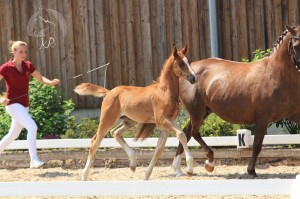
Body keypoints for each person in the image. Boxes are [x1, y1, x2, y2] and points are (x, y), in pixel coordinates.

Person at [0, 40, 60, 168]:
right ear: (14, 52)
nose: (23, 54)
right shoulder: (6, 67)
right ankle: (34, 160)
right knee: (32, 127)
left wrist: (51, 82)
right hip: (12, 105)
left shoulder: (28, 66)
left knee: (13, 135)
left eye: (25, 52)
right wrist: (1, 99)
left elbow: (40, 78)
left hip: (24, 105)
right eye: (21, 51)